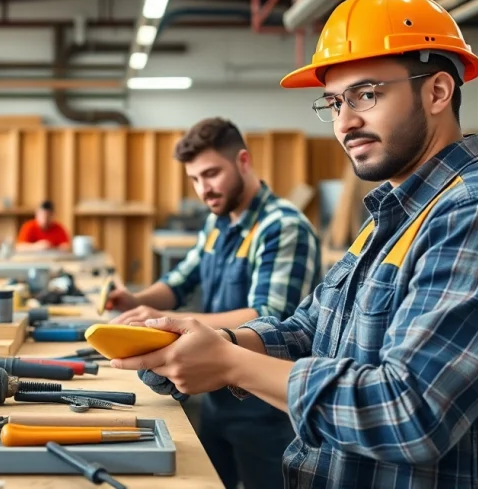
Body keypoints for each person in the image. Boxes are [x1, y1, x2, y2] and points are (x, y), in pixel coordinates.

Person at [110, 0, 478, 488]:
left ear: (438, 92)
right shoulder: (390, 217)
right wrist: (216, 341)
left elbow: (408, 412)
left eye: (366, 95)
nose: (345, 122)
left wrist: (228, 363)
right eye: (333, 102)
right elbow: (311, 331)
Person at [107, 117, 323, 489]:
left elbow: (267, 315)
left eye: (210, 174)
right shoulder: (217, 222)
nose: (203, 189)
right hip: (213, 393)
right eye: (194, 179)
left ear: (243, 161)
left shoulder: (281, 226)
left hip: (264, 404)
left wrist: (167, 319)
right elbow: (181, 280)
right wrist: (135, 299)